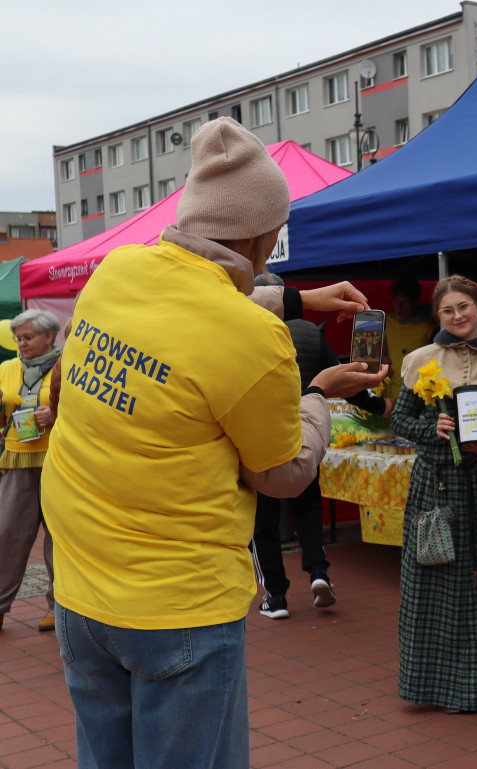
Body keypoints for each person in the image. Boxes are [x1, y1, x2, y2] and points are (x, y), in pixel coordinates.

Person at [41, 117, 387, 769]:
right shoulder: (255, 342)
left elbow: (195, 301)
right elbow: (282, 472)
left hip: (81, 591)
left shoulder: (118, 272)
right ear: (263, 235)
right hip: (177, 605)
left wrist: (298, 298)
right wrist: (317, 395)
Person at [390, 275, 477, 713]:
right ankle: (435, 687)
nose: (458, 316)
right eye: (448, 310)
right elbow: (400, 423)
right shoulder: (422, 359)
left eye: (464, 306)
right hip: (435, 486)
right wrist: (433, 428)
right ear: (437, 315)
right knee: (434, 585)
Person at [252, 279, 394, 619]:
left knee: (264, 520)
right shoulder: (309, 331)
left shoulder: (247, 331)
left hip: (261, 434)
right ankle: (318, 572)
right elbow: (347, 381)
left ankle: (276, 597)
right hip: (303, 426)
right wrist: (379, 406)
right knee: (309, 505)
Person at [0, 309, 62, 633]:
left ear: (49, 337)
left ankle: (58, 607)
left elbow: (84, 414)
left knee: (59, 538)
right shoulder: (7, 369)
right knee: (6, 534)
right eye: (18, 338)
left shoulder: (66, 367)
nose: (21, 344)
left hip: (57, 462)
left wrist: (56, 416)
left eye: (28, 337)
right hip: (18, 461)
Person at [383, 278, 436, 402]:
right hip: (388, 394)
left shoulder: (429, 327)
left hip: (415, 397)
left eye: (404, 302)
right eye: (396, 301)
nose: (399, 306)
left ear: (415, 304)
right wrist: (381, 356)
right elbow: (370, 348)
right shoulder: (386, 320)